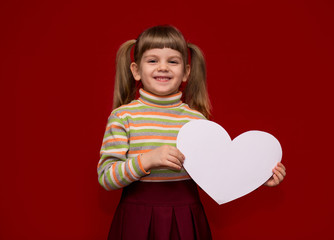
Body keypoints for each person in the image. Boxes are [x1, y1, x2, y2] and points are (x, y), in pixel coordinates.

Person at [97, 25, 286, 240]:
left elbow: (216, 177)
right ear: (136, 70)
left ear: (186, 72)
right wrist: (147, 160)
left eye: (173, 61)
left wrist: (257, 177)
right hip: (137, 220)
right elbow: (106, 177)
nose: (163, 67)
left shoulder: (196, 122)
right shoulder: (123, 117)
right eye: (152, 60)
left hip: (185, 218)